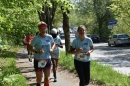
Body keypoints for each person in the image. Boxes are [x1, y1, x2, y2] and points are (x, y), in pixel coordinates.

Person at [28, 21, 55, 86]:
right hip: (38, 60)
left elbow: (53, 43)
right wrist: (37, 51)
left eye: (44, 28)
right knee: (39, 79)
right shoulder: (36, 38)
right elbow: (30, 48)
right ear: (39, 29)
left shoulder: (49, 37)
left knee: (47, 79)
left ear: (46, 29)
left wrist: (52, 49)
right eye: (41, 29)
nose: (43, 30)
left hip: (47, 59)